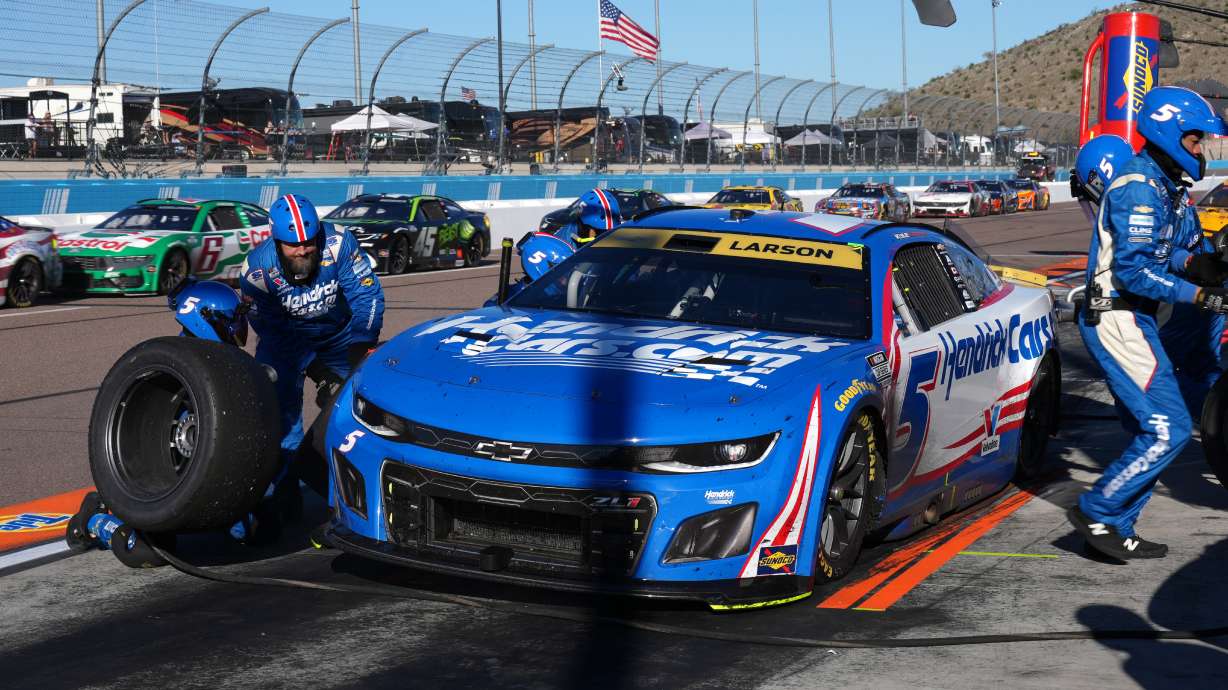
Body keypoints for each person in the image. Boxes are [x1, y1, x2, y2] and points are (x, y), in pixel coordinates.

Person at [1068, 86, 1228, 561]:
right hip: (1116, 316)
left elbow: (1159, 250)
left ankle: (1116, 524)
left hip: (1133, 317)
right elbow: (1133, 270)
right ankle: (1099, 509)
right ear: (1172, 133)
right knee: (1167, 429)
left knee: (1162, 427)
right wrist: (1199, 293)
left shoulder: (1162, 182)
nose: (1202, 151)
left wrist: (1195, 264)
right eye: (1198, 141)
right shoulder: (1139, 185)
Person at [240, 193, 384, 503]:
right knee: (281, 416)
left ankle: (350, 492)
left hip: (341, 337)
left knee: (353, 411)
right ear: (276, 240)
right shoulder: (256, 272)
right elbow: (271, 330)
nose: (303, 249)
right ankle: (282, 492)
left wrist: (361, 346)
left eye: (309, 242)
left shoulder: (340, 243)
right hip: (285, 343)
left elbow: (367, 296)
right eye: (294, 245)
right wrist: (316, 368)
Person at [556, 188, 621, 248]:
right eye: (597, 232)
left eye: (609, 232)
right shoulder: (561, 246)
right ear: (580, 224)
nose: (604, 241)